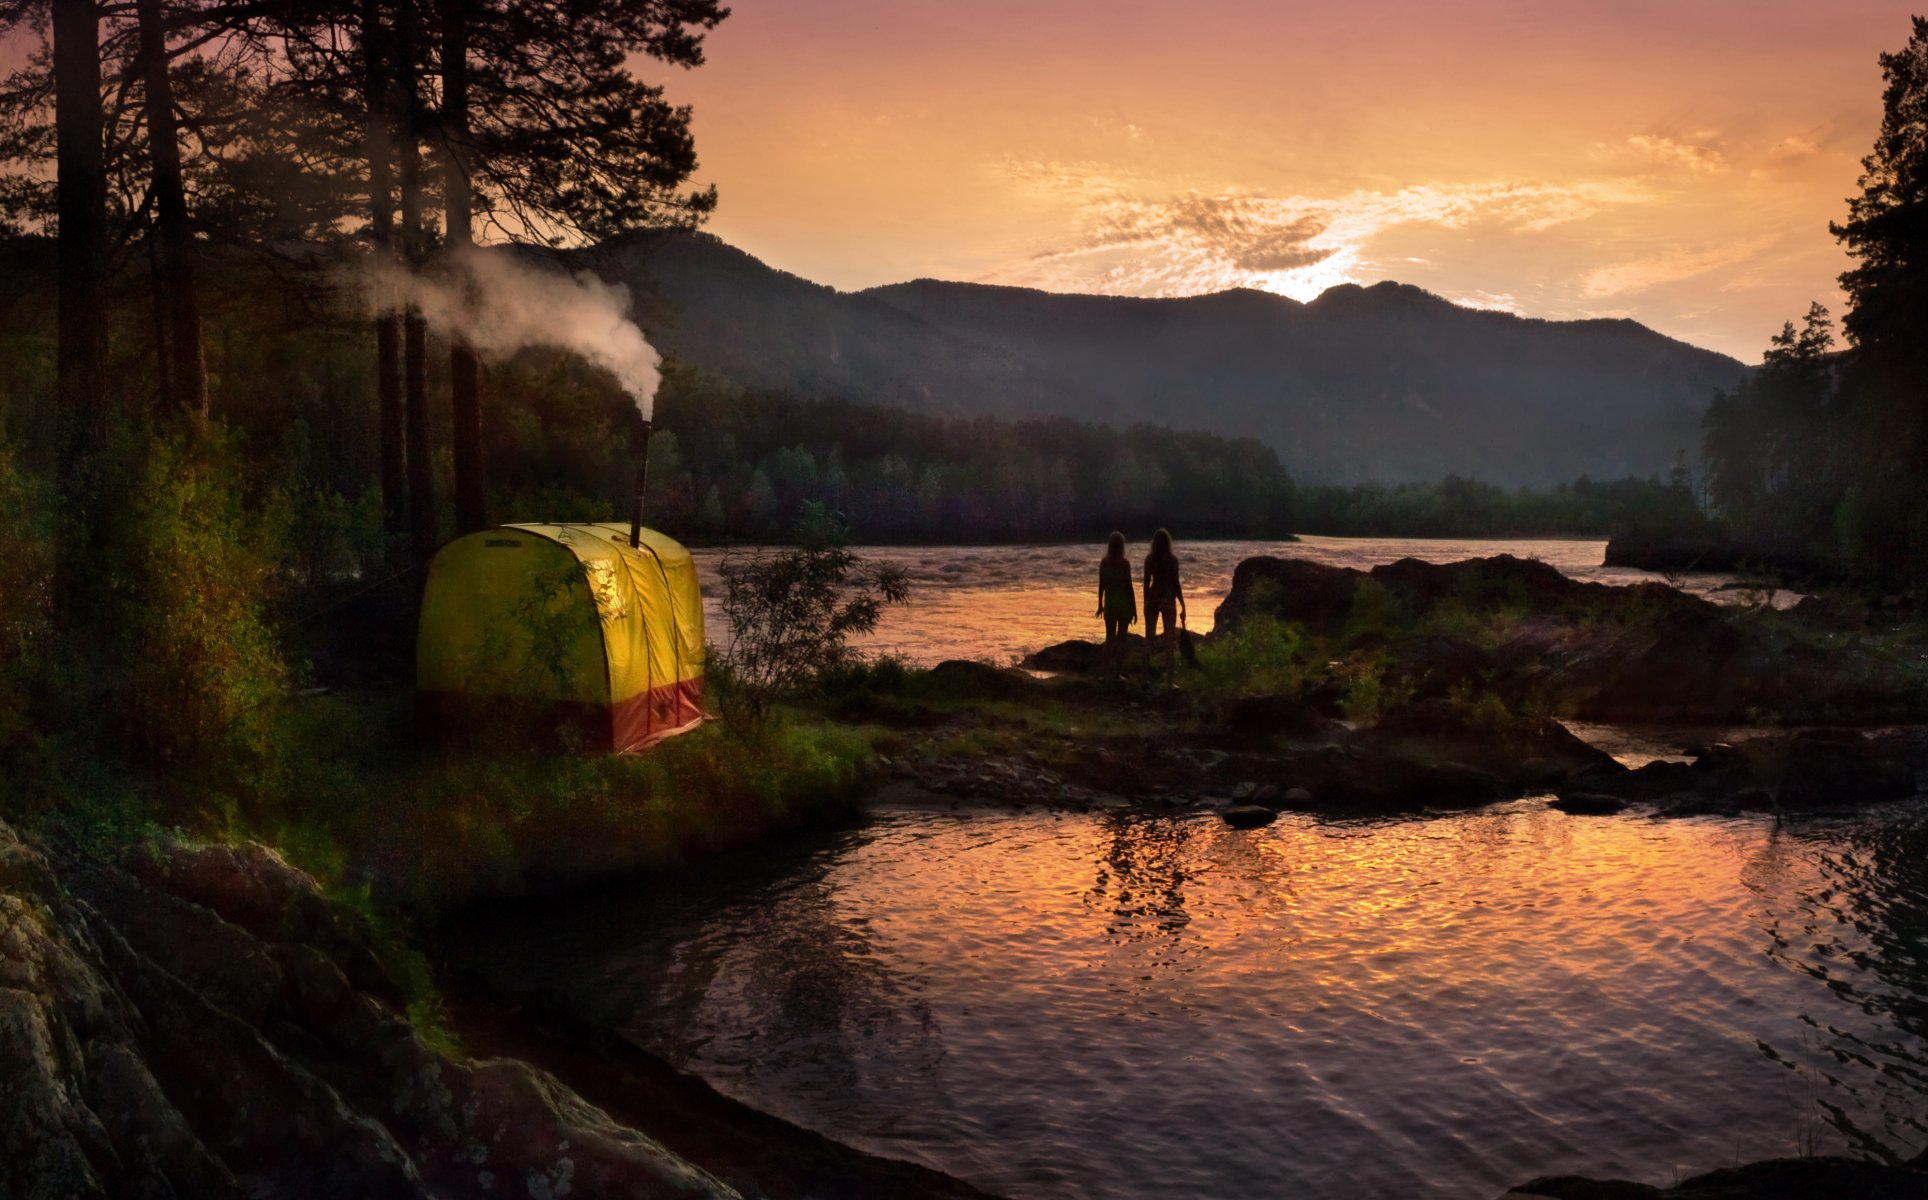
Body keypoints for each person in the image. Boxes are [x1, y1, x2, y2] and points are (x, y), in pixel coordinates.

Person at [1143, 528, 1186, 681]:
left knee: (1148, 638)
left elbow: (1146, 583)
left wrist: (1145, 601)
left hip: (1153, 597)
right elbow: (1176, 583)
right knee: (1169, 641)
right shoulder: (1172, 560)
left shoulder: (1149, 559)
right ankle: (1169, 681)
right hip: (1168, 598)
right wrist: (1182, 604)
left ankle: (1145, 678)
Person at [1095, 531, 1136, 669]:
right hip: (1123, 605)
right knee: (1121, 639)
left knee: (1109, 638)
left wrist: (1100, 604)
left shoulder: (1104, 562)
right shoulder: (1125, 563)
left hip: (1110, 605)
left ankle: (1105, 671)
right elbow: (1129, 587)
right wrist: (1134, 609)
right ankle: (1117, 673)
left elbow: (1101, 585)